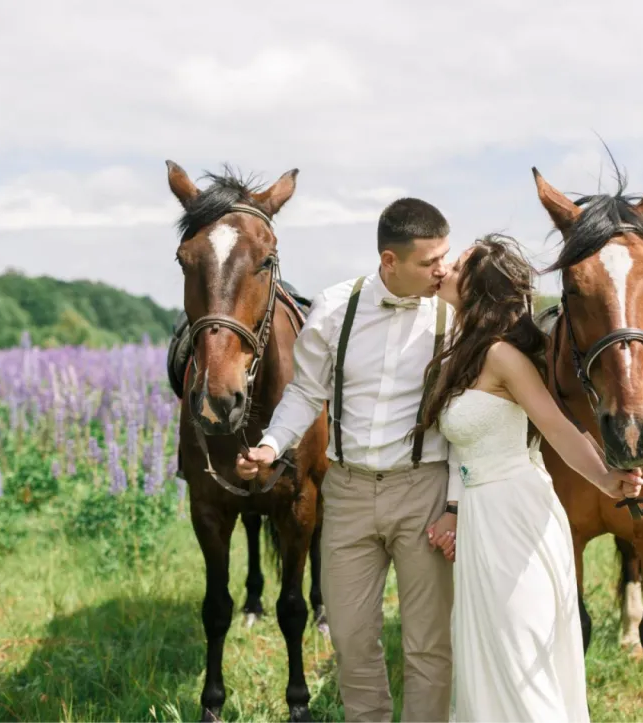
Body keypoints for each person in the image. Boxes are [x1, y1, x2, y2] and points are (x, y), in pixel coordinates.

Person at [234, 197, 459, 722]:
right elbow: (305, 393)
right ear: (389, 261)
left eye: (444, 257)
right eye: (430, 262)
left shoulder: (455, 314)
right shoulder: (336, 308)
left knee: (428, 646)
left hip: (423, 491)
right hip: (349, 493)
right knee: (353, 641)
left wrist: (454, 505)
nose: (442, 270)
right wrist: (270, 445)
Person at [422, 234, 643, 722]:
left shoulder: (503, 356)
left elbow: (558, 429)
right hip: (482, 515)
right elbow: (462, 449)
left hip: (516, 514)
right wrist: (456, 511)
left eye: (457, 265)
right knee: (488, 651)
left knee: (520, 649)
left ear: (478, 288)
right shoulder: (464, 349)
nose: (445, 271)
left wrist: (607, 480)